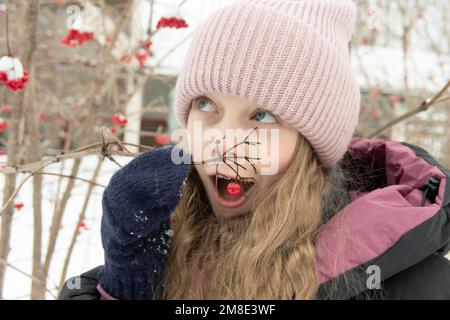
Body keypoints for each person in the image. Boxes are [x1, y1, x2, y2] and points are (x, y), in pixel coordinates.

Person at [59, 0, 450, 300]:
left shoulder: (412, 284)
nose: (223, 141)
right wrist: (125, 285)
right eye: (206, 105)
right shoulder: (158, 251)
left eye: (262, 116)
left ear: (310, 144)